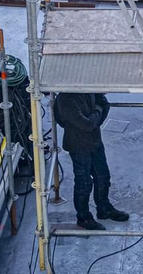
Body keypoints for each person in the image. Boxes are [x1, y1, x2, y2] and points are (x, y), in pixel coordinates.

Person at [52, 91, 129, 231]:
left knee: (103, 176)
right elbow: (87, 123)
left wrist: (95, 119)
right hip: (78, 145)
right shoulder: (66, 98)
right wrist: (97, 112)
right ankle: (84, 217)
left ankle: (104, 208)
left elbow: (103, 104)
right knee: (84, 183)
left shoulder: (87, 89)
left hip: (94, 141)